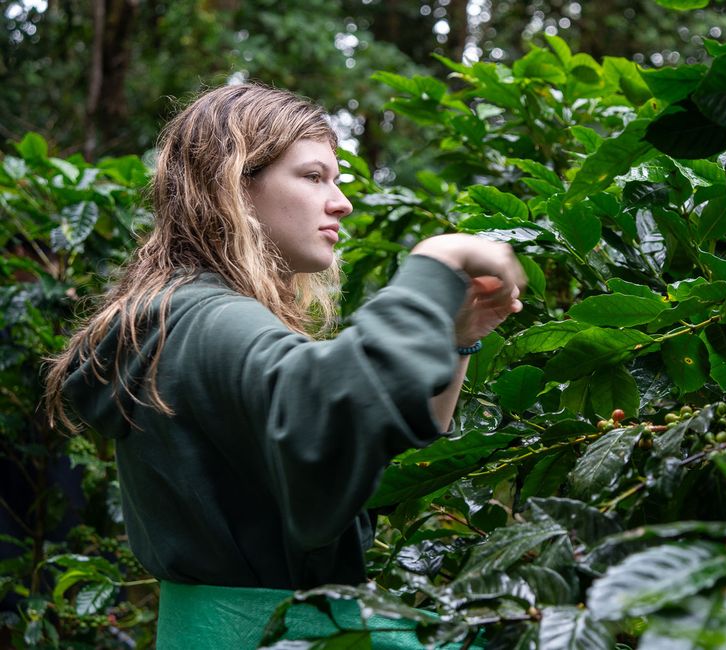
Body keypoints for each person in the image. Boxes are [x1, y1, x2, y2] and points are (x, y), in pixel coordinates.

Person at [44, 83, 525, 648]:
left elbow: (385, 454)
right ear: (234, 185)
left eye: (337, 179)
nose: (341, 201)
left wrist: (456, 339)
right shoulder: (206, 319)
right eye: (314, 176)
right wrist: (436, 261)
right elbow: (329, 411)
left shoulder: (178, 316)